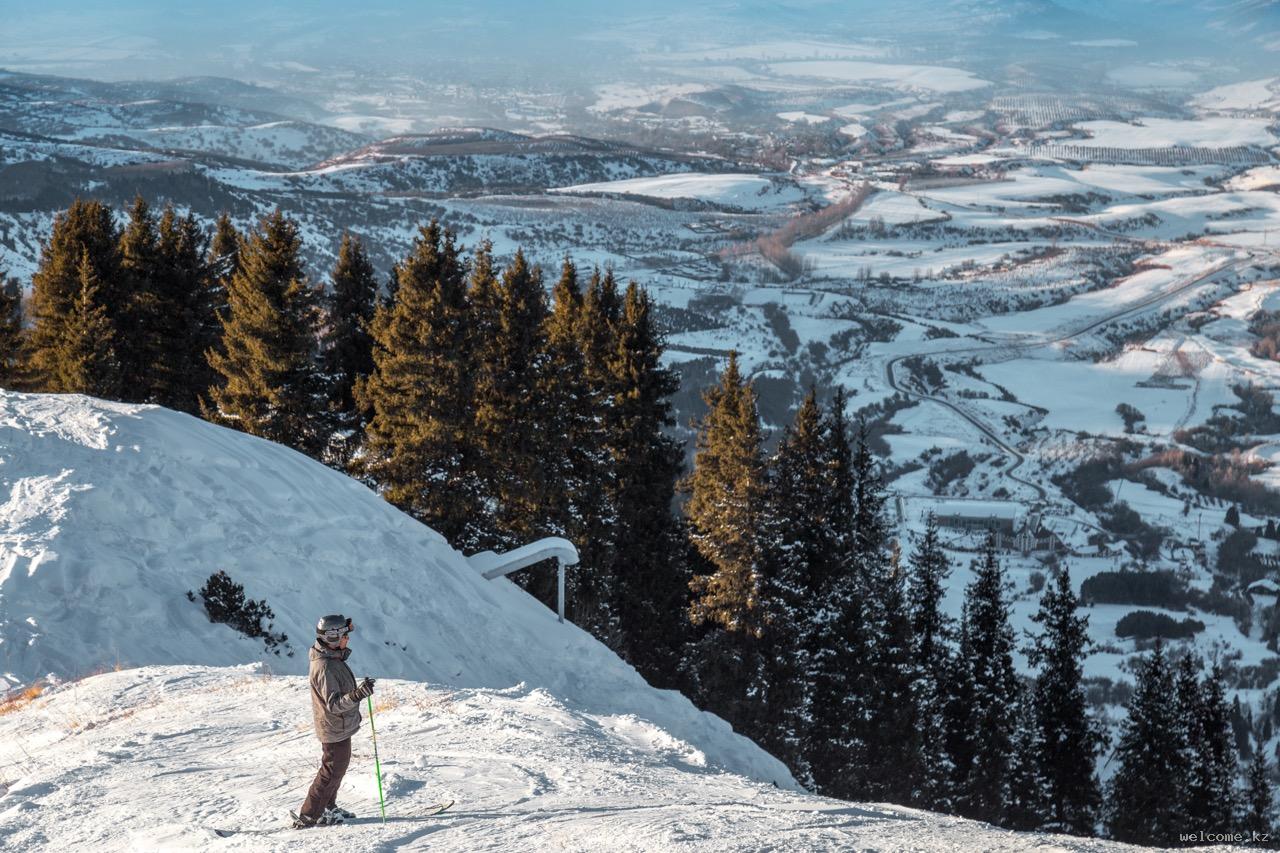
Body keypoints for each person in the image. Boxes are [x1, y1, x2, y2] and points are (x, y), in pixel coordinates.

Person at [293, 614, 375, 829]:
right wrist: (357, 695)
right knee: (330, 772)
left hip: (339, 726)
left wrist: (357, 691)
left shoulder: (332, 659)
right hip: (333, 726)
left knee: (337, 769)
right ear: (333, 637)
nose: (348, 640)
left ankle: (327, 808)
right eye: (345, 636)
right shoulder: (325, 666)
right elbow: (334, 704)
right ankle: (310, 816)